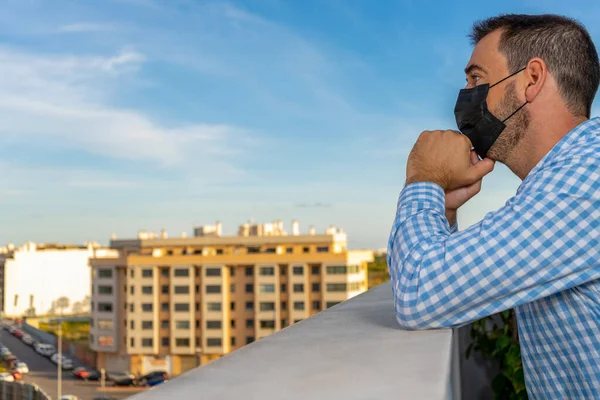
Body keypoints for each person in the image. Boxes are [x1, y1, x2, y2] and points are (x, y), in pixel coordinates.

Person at [387, 14, 600, 399]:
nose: (465, 94)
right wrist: (444, 207)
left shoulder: (587, 180)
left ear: (531, 79)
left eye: (476, 79)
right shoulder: (565, 178)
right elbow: (455, 283)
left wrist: (424, 177)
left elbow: (418, 292)